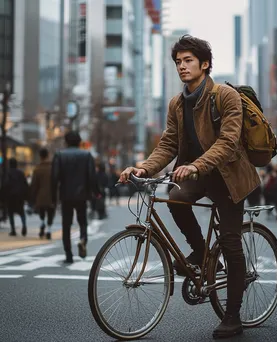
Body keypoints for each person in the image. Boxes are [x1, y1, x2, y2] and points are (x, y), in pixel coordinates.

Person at [119, 35, 260, 339]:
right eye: (178, 62)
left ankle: (233, 316)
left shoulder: (225, 96)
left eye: (188, 61)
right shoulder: (177, 103)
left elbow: (228, 141)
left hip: (230, 175)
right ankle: (201, 253)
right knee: (175, 198)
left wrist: (196, 164)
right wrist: (142, 167)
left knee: (232, 243)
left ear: (205, 64)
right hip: (197, 174)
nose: (181, 66)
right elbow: (168, 144)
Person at [51, 131, 99, 263]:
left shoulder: (59, 155)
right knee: (82, 221)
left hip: (65, 195)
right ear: (79, 141)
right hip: (82, 195)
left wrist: (53, 197)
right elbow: (92, 176)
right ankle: (83, 239)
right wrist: (96, 192)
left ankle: (68, 254)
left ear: (66, 142)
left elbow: (54, 178)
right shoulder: (86, 155)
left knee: (66, 224)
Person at [30, 148, 55, 239]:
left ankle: (42, 223)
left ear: (40, 156)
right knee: (50, 213)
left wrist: (32, 196)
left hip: (40, 196)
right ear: (48, 155)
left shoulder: (37, 169)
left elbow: (34, 184)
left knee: (42, 212)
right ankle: (48, 230)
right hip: (52, 196)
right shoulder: (53, 168)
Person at [4, 158, 29, 236]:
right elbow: (25, 185)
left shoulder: (7, 173)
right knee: (21, 212)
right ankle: (24, 225)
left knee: (11, 213)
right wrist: (26, 195)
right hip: (20, 196)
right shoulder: (21, 173)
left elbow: (5, 185)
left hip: (10, 196)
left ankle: (13, 230)